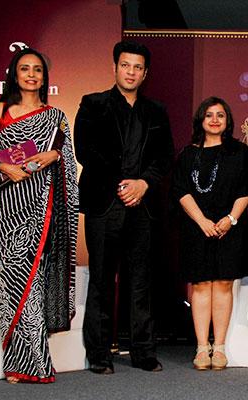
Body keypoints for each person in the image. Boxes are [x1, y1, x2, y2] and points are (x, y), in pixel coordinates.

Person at [0, 48, 78, 383]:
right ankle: (17, 360)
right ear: (14, 73)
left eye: (37, 69)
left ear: (44, 76)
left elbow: (63, 154)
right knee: (13, 280)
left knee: (34, 278)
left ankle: (32, 361)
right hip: (7, 202)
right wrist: (2, 165)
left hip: (42, 204)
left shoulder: (55, 116)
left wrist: (50, 156)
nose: (32, 75)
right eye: (25, 69)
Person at [75, 40, 174, 374]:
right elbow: (85, 152)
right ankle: (100, 353)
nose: (131, 72)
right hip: (105, 202)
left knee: (142, 280)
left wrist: (143, 184)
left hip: (143, 204)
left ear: (145, 73)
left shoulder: (157, 111)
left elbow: (164, 156)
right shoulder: (92, 104)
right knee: (102, 278)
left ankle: (143, 352)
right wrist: (122, 184)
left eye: (137, 67)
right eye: (125, 65)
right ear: (114, 67)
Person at [171, 97, 248, 370]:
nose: (215, 120)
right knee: (202, 286)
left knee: (224, 285)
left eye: (220, 115)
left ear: (227, 121)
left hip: (230, 227)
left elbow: (246, 189)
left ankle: (220, 348)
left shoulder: (239, 152)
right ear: (200, 121)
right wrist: (202, 221)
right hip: (197, 228)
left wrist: (230, 219)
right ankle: (202, 347)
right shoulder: (187, 154)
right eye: (209, 115)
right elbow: (180, 190)